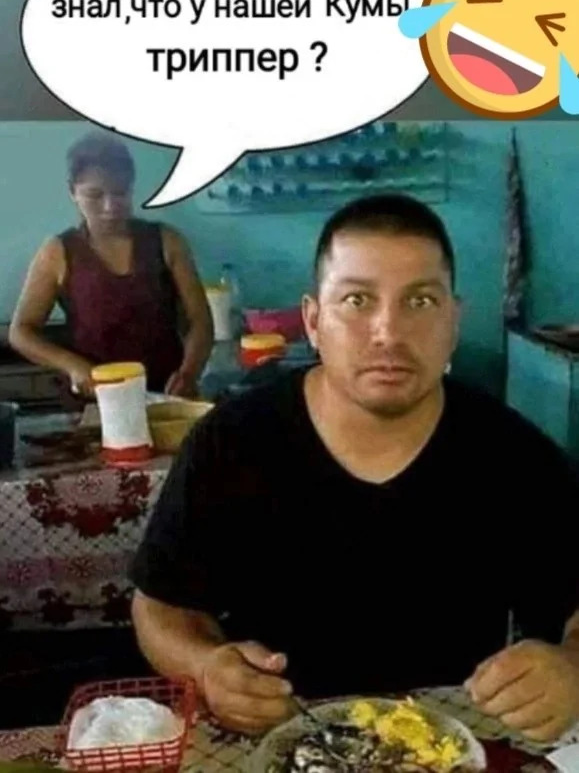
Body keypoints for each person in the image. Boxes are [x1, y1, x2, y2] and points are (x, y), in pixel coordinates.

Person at [130, 194, 579, 741]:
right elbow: (160, 606)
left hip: (447, 746)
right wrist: (205, 666)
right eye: (357, 299)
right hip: (274, 741)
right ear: (313, 321)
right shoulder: (232, 442)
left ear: (453, 320)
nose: (388, 332)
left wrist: (572, 667)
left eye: (420, 301)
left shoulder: (513, 456)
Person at [9, 131, 214, 398]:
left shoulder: (166, 241)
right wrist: (72, 365)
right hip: (97, 400)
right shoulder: (58, 252)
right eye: (94, 195)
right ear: (72, 191)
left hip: (168, 395)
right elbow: (21, 332)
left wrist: (188, 373)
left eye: (120, 193)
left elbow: (200, 321)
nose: (109, 206)